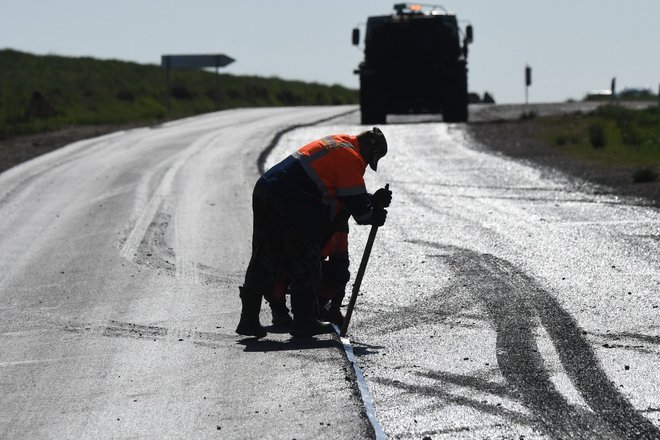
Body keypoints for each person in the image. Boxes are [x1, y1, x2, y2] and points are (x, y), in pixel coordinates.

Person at [236, 127, 392, 338]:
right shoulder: (351, 157)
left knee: (265, 256)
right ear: (367, 149)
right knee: (307, 260)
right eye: (369, 159)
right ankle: (304, 321)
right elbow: (361, 214)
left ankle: (248, 319)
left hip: (267, 188)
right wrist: (374, 214)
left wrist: (372, 200)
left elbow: (344, 194)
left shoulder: (339, 142)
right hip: (293, 200)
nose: (365, 164)